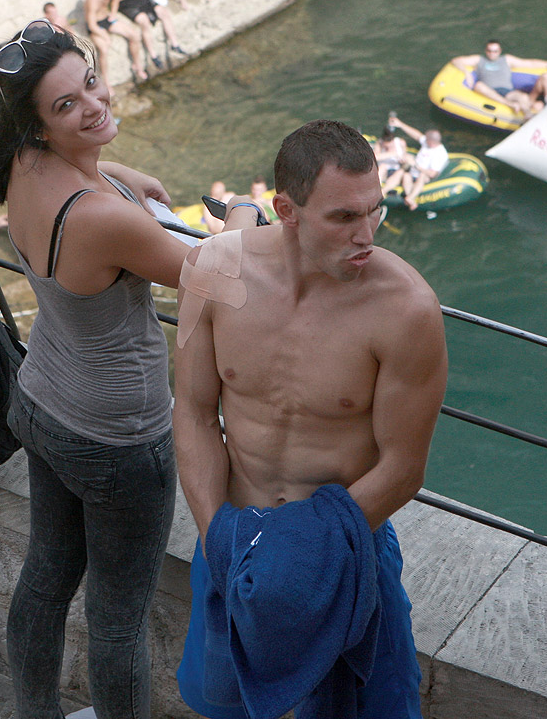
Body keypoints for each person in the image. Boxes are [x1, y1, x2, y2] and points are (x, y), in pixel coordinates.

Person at [0, 19, 260, 719]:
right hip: (116, 435)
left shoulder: (17, 164)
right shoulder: (105, 219)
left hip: (41, 398)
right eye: (68, 105)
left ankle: (34, 712)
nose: (94, 105)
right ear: (40, 125)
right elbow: (227, 278)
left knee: (46, 576)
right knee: (118, 618)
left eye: (91, 83)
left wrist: (121, 174)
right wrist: (248, 213)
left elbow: (83, 183)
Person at [174, 119, 447, 717]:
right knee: (225, 706)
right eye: (343, 217)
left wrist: (300, 553)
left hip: (344, 553)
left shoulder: (405, 310)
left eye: (374, 210)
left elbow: (403, 468)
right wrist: (218, 534)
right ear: (286, 210)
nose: (366, 233)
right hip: (233, 537)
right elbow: (193, 413)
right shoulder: (214, 270)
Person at [452, 39, 547, 115]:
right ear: (486, 51)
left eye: (495, 51)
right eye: (489, 51)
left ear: (499, 51)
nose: (492, 53)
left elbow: (530, 63)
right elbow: (456, 61)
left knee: (524, 97)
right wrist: (466, 73)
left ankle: (529, 115)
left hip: (507, 91)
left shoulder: (506, 59)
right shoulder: (479, 60)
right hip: (490, 91)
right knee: (479, 85)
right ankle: (510, 105)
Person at [85, 0, 148, 86]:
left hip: (107, 19)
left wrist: (113, 14)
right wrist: (104, 36)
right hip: (96, 24)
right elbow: (91, 25)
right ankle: (107, 83)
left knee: (134, 35)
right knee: (104, 49)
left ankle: (137, 66)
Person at [381, 114, 448, 209]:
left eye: (426, 139)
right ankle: (385, 191)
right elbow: (417, 135)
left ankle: (411, 197)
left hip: (423, 174)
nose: (424, 139)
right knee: (403, 174)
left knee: (422, 175)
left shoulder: (440, 154)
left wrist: (416, 166)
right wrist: (400, 124)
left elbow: (432, 174)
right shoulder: (427, 142)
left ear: (431, 141)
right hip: (413, 169)